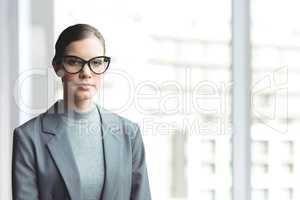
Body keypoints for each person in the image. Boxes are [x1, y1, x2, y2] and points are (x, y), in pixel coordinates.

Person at [12, 23, 151, 200]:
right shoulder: (29, 138)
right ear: (57, 67)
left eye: (96, 62)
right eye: (74, 62)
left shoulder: (129, 134)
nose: (86, 73)